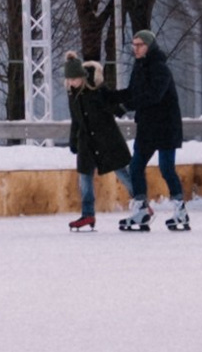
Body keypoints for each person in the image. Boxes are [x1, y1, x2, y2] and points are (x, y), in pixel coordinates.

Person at [116, 21, 190, 232]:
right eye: (134, 45)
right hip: (147, 127)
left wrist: (126, 105)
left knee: (167, 168)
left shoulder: (160, 68)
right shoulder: (138, 68)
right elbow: (132, 92)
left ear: (149, 46)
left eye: (140, 45)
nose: (135, 48)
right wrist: (109, 99)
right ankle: (141, 209)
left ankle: (180, 209)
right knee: (136, 167)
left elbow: (153, 96)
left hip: (165, 126)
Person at [63, 58, 128, 232]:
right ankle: (88, 214)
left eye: (74, 79)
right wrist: (74, 140)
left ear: (82, 77)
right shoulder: (72, 94)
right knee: (84, 175)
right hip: (86, 141)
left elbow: (112, 103)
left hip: (106, 137)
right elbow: (76, 120)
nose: (72, 83)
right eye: (69, 80)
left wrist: (122, 109)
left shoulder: (97, 89)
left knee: (121, 170)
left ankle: (141, 201)